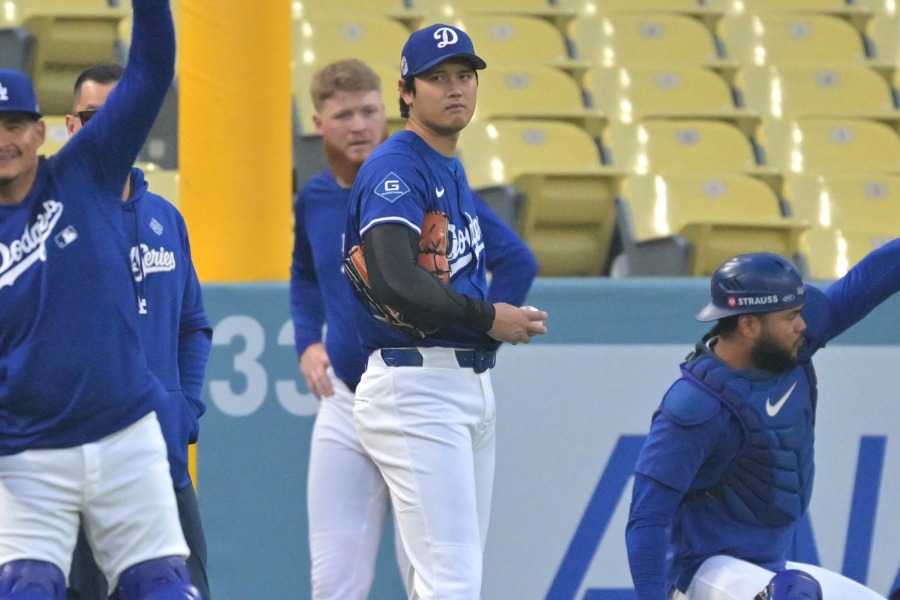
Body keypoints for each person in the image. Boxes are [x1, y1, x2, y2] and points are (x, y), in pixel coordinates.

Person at [291, 58, 538, 599]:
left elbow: (516, 259)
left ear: (388, 109)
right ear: (319, 124)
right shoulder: (316, 197)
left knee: (433, 573)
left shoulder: (424, 177)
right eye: (344, 115)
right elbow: (305, 273)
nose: (359, 125)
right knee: (337, 580)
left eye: (367, 111)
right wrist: (307, 339)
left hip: (421, 378)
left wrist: (480, 330)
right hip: (350, 392)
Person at [0, 0, 201, 597]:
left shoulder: (84, 171)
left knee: (161, 586)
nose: (4, 139)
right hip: (28, 451)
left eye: (15, 125)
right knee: (27, 588)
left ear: (42, 131)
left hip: (122, 432)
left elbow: (151, 69)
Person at [626, 251, 898, 600]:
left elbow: (869, 280)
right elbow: (646, 520)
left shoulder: (786, 344)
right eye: (791, 317)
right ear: (749, 325)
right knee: (793, 595)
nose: (803, 325)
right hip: (700, 577)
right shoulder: (695, 405)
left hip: (772, 572)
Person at [63, 64, 212, 600]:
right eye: (93, 117)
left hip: (162, 467)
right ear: (70, 127)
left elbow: (193, 326)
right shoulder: (45, 222)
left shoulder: (166, 219)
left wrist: (183, 408)